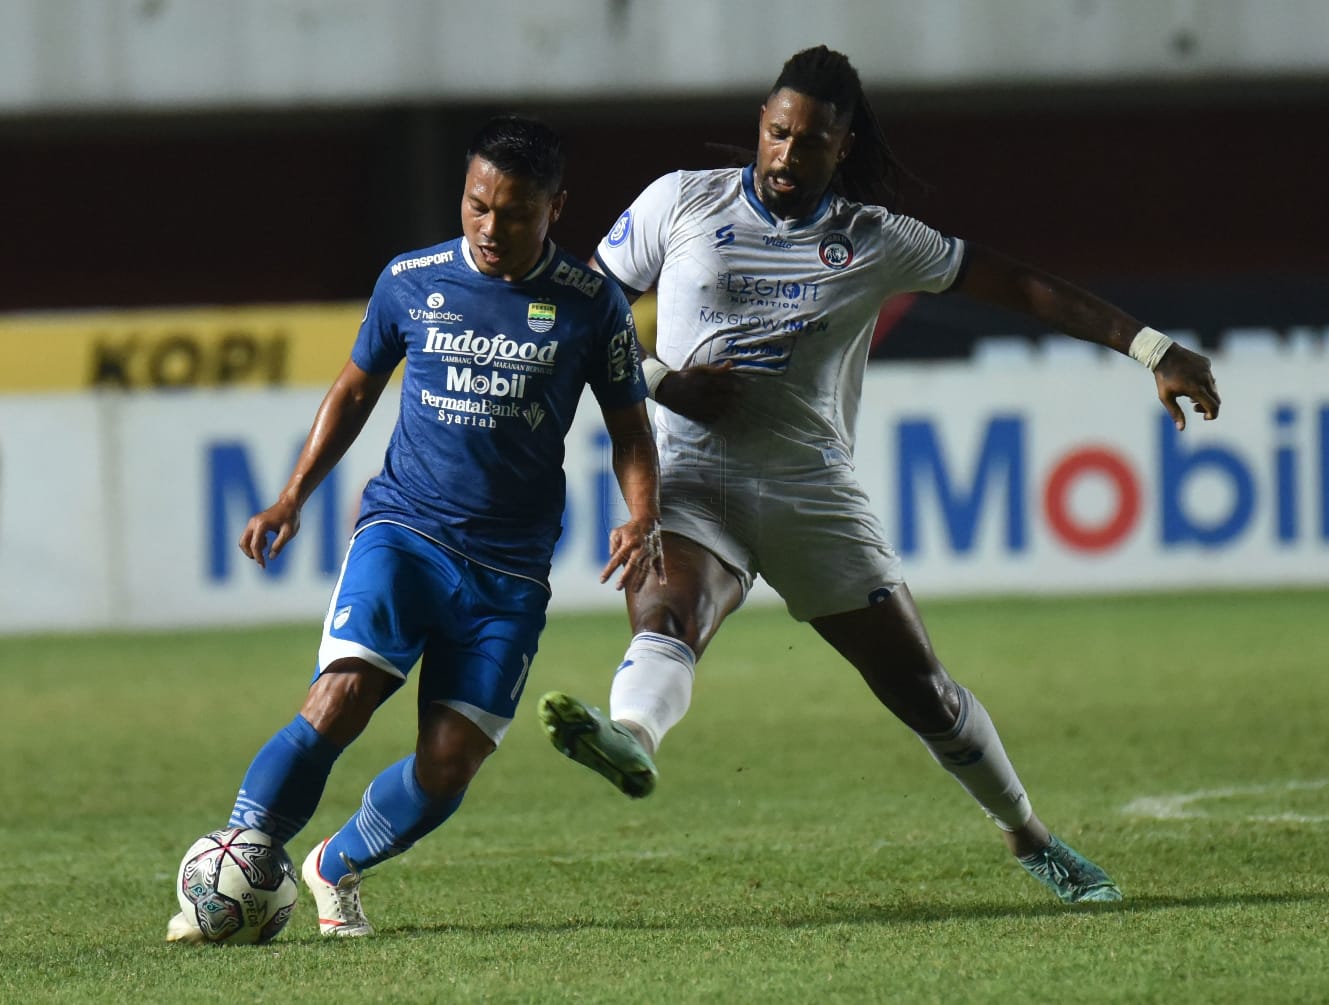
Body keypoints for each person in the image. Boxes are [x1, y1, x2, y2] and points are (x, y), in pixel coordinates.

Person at [536, 45, 1222, 905]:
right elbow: (583, 309)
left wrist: (1150, 347)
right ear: (760, 121)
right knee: (670, 611)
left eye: (810, 142)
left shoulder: (874, 239)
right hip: (690, 470)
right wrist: (666, 382)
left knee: (923, 693)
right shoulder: (679, 201)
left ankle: (1029, 836)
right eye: (777, 133)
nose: (786, 155)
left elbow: (1019, 286)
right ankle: (629, 734)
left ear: (843, 145)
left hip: (809, 492)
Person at [167, 115, 664, 941]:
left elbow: (631, 430)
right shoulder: (412, 278)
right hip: (405, 530)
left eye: (513, 213)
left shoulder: (591, 304)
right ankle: (236, 863)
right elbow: (355, 388)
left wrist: (641, 513)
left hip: (509, 571)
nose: (489, 227)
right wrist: (292, 495)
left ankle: (334, 865)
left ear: (555, 208)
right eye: (476, 205)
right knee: (342, 696)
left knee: (448, 761)